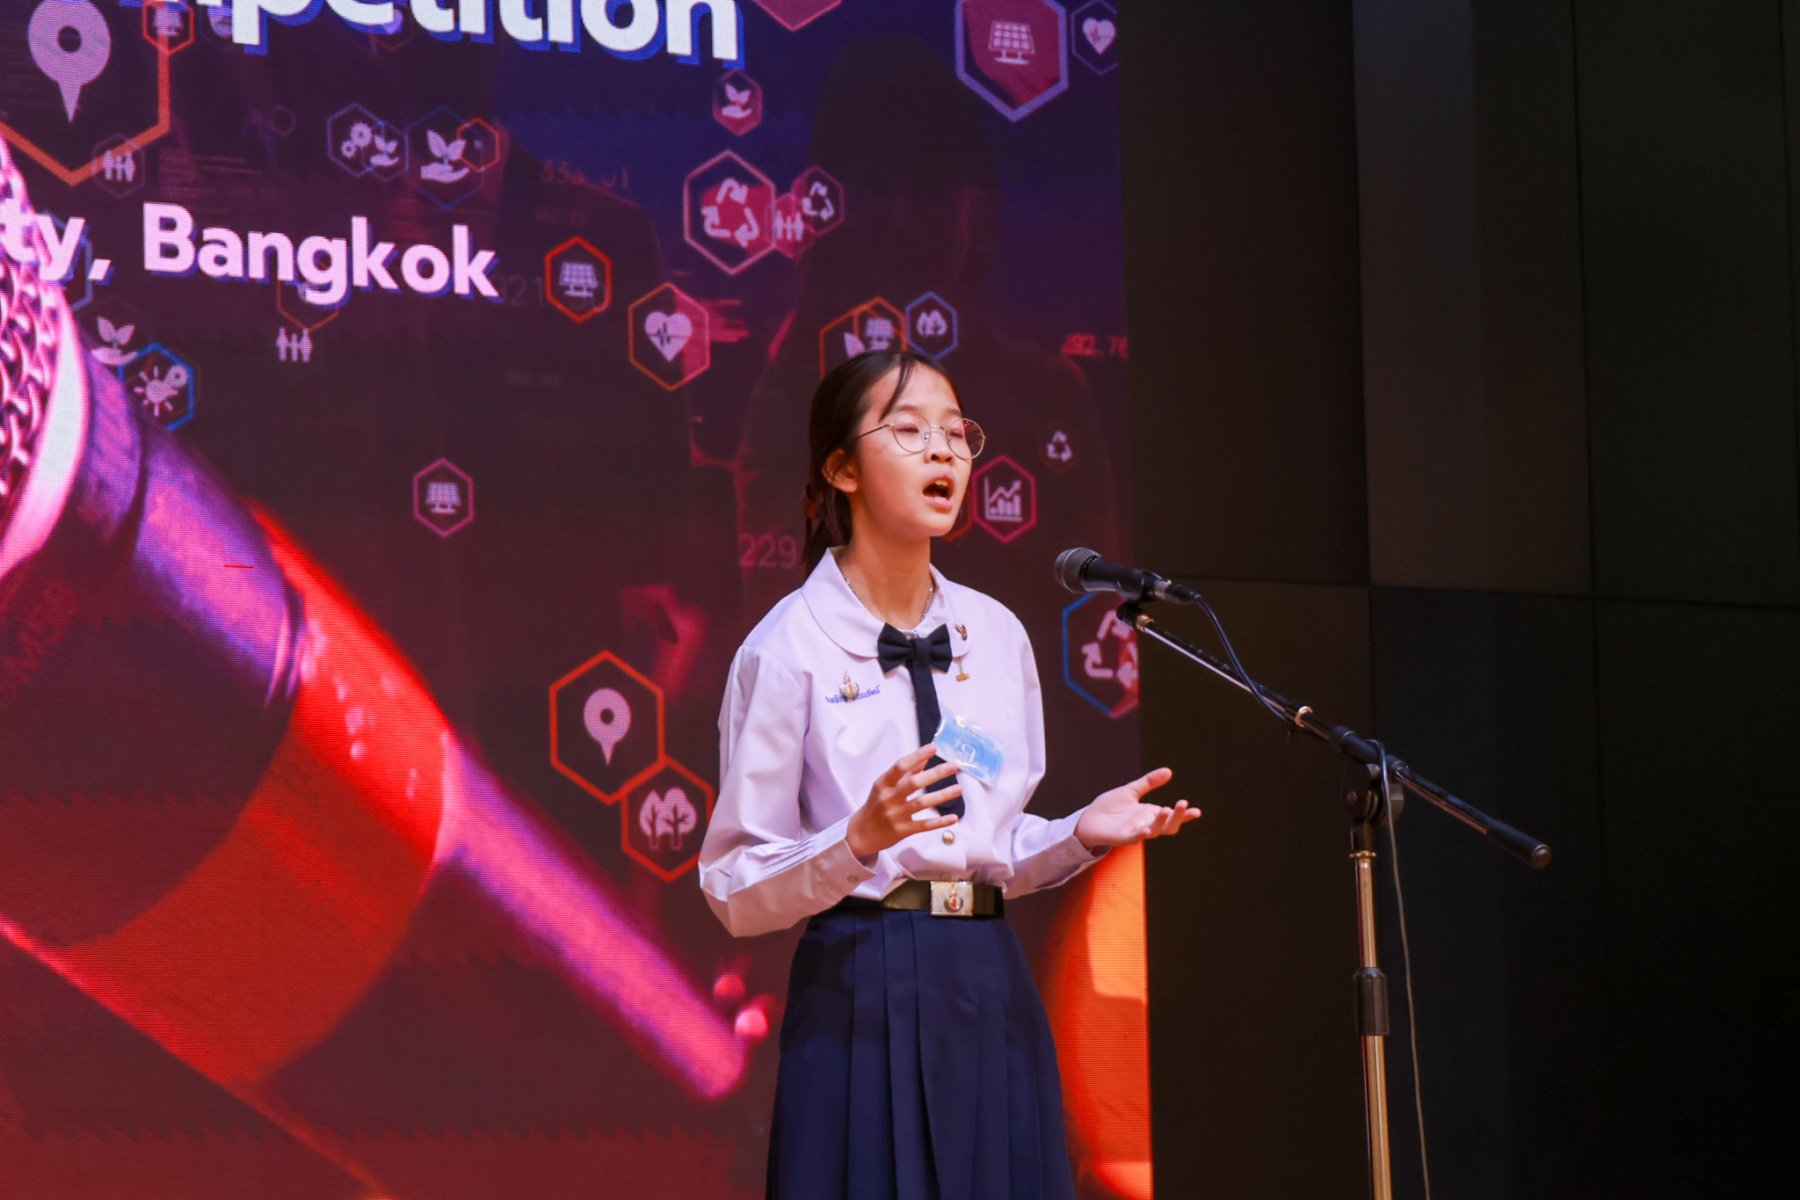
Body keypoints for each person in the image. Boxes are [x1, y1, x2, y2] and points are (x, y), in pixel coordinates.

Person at [699, 350, 1200, 1200]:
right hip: (861, 977)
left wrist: (1078, 833)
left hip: (987, 973)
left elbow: (987, 849)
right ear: (841, 469)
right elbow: (735, 886)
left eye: (956, 433)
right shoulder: (785, 648)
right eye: (909, 430)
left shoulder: (996, 635)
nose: (943, 451)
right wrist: (857, 840)